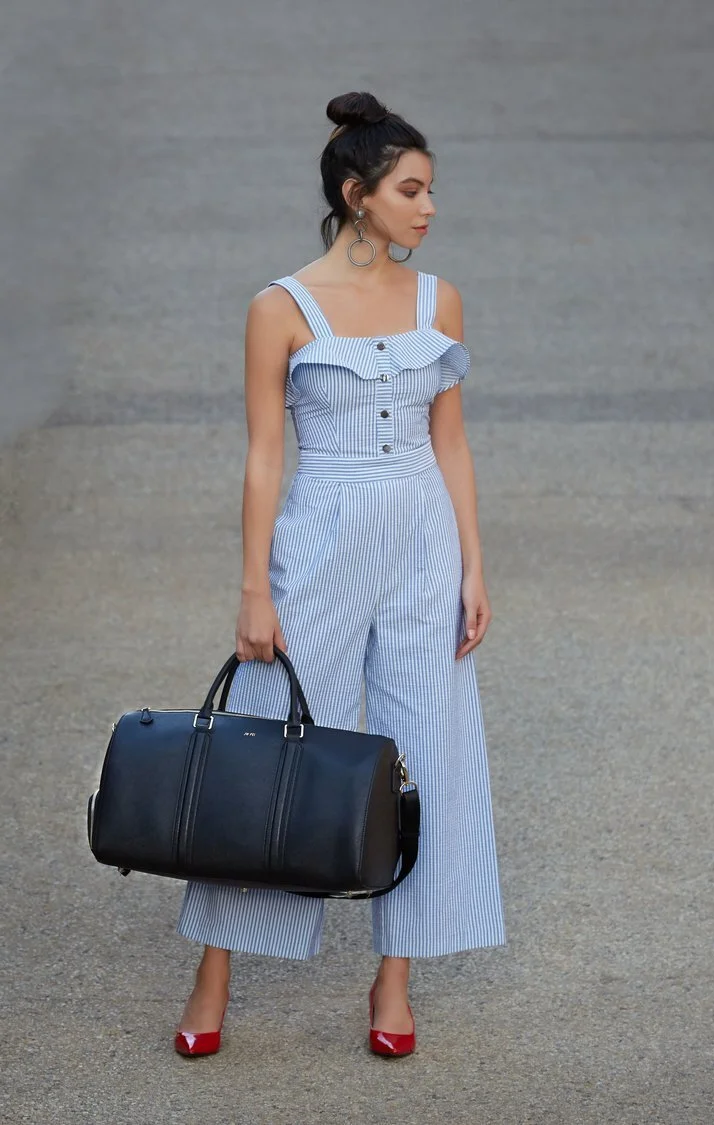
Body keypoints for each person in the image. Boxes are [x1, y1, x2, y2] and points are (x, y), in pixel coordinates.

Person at [173, 90, 506, 1060]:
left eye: (431, 189)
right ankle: (214, 970)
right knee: (268, 743)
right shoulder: (279, 308)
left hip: (424, 540)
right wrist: (253, 586)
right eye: (411, 190)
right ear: (358, 196)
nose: (429, 207)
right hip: (319, 537)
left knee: (429, 745)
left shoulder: (439, 300)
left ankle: (393, 978)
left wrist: (474, 564)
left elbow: (452, 442)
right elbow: (263, 455)